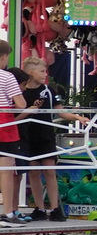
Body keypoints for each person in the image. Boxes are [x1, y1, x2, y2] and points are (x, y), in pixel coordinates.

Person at [17, 57, 68, 219]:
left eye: (45, 71)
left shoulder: (48, 90)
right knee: (33, 173)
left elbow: (60, 111)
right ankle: (39, 208)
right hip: (28, 136)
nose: (45, 74)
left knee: (49, 171)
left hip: (45, 135)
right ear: (31, 72)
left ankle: (55, 208)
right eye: (42, 71)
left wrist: (77, 117)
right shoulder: (21, 91)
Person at [0, 40, 25, 225]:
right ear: (3, 56)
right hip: (5, 126)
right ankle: (8, 212)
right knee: (6, 171)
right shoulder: (7, 77)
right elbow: (21, 104)